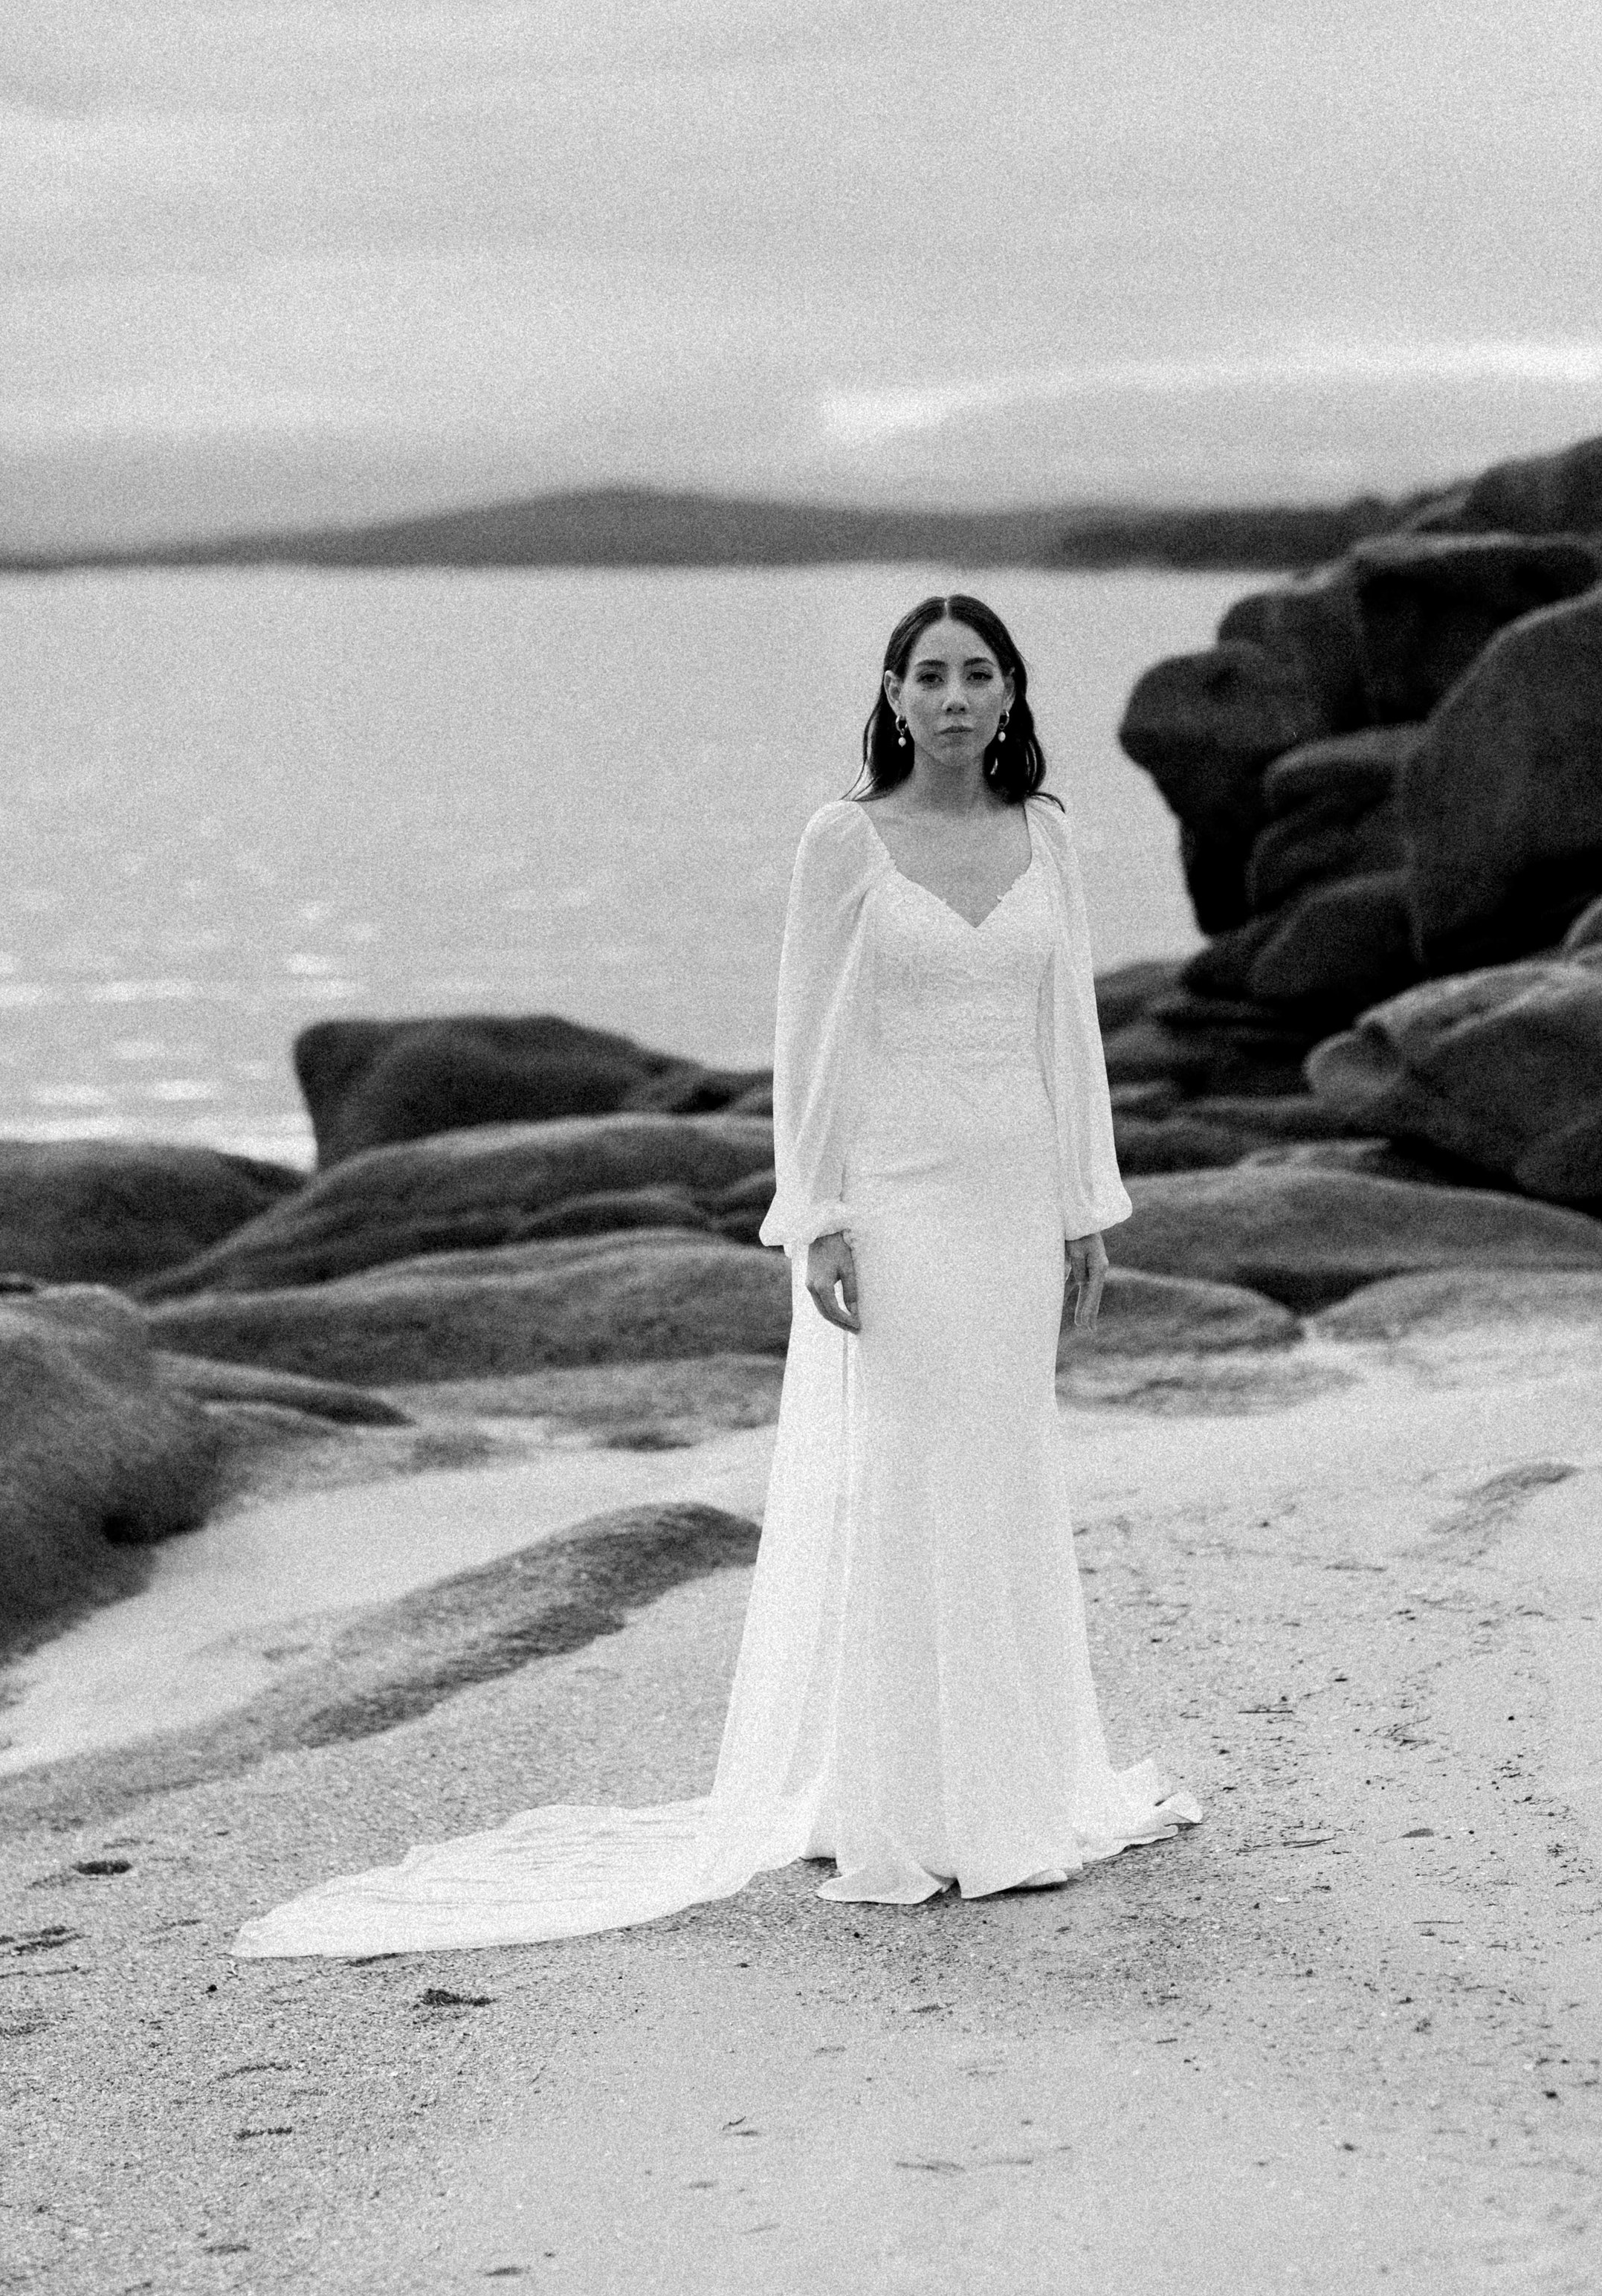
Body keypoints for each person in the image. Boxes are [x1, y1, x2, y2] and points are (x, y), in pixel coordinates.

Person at [233, 594, 1198, 1958]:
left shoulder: (1046, 833)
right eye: (931, 675)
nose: (957, 698)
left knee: (1003, 1469)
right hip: (904, 1194)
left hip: (1010, 1191)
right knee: (909, 1469)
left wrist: (1084, 1208)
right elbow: (808, 1041)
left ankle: (1023, 1790)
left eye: (980, 673)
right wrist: (819, 1218)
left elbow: (1073, 1031)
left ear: (1011, 693)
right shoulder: (843, 841)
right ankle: (910, 1810)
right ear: (895, 693)